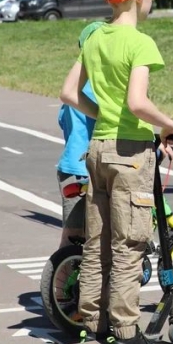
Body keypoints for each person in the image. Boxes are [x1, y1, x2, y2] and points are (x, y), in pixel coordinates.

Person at [59, 0, 173, 344]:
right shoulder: (141, 44)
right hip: (130, 154)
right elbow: (137, 102)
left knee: (98, 244)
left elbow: (68, 92)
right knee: (130, 245)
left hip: (96, 150)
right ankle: (127, 334)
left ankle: (92, 321)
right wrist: (169, 126)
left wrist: (103, 117)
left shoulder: (94, 38)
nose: (152, 0)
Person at [56, 21, 105, 250]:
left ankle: (58, 281)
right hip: (89, 168)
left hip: (69, 168)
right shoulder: (95, 89)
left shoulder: (77, 88)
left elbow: (61, 121)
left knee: (72, 235)